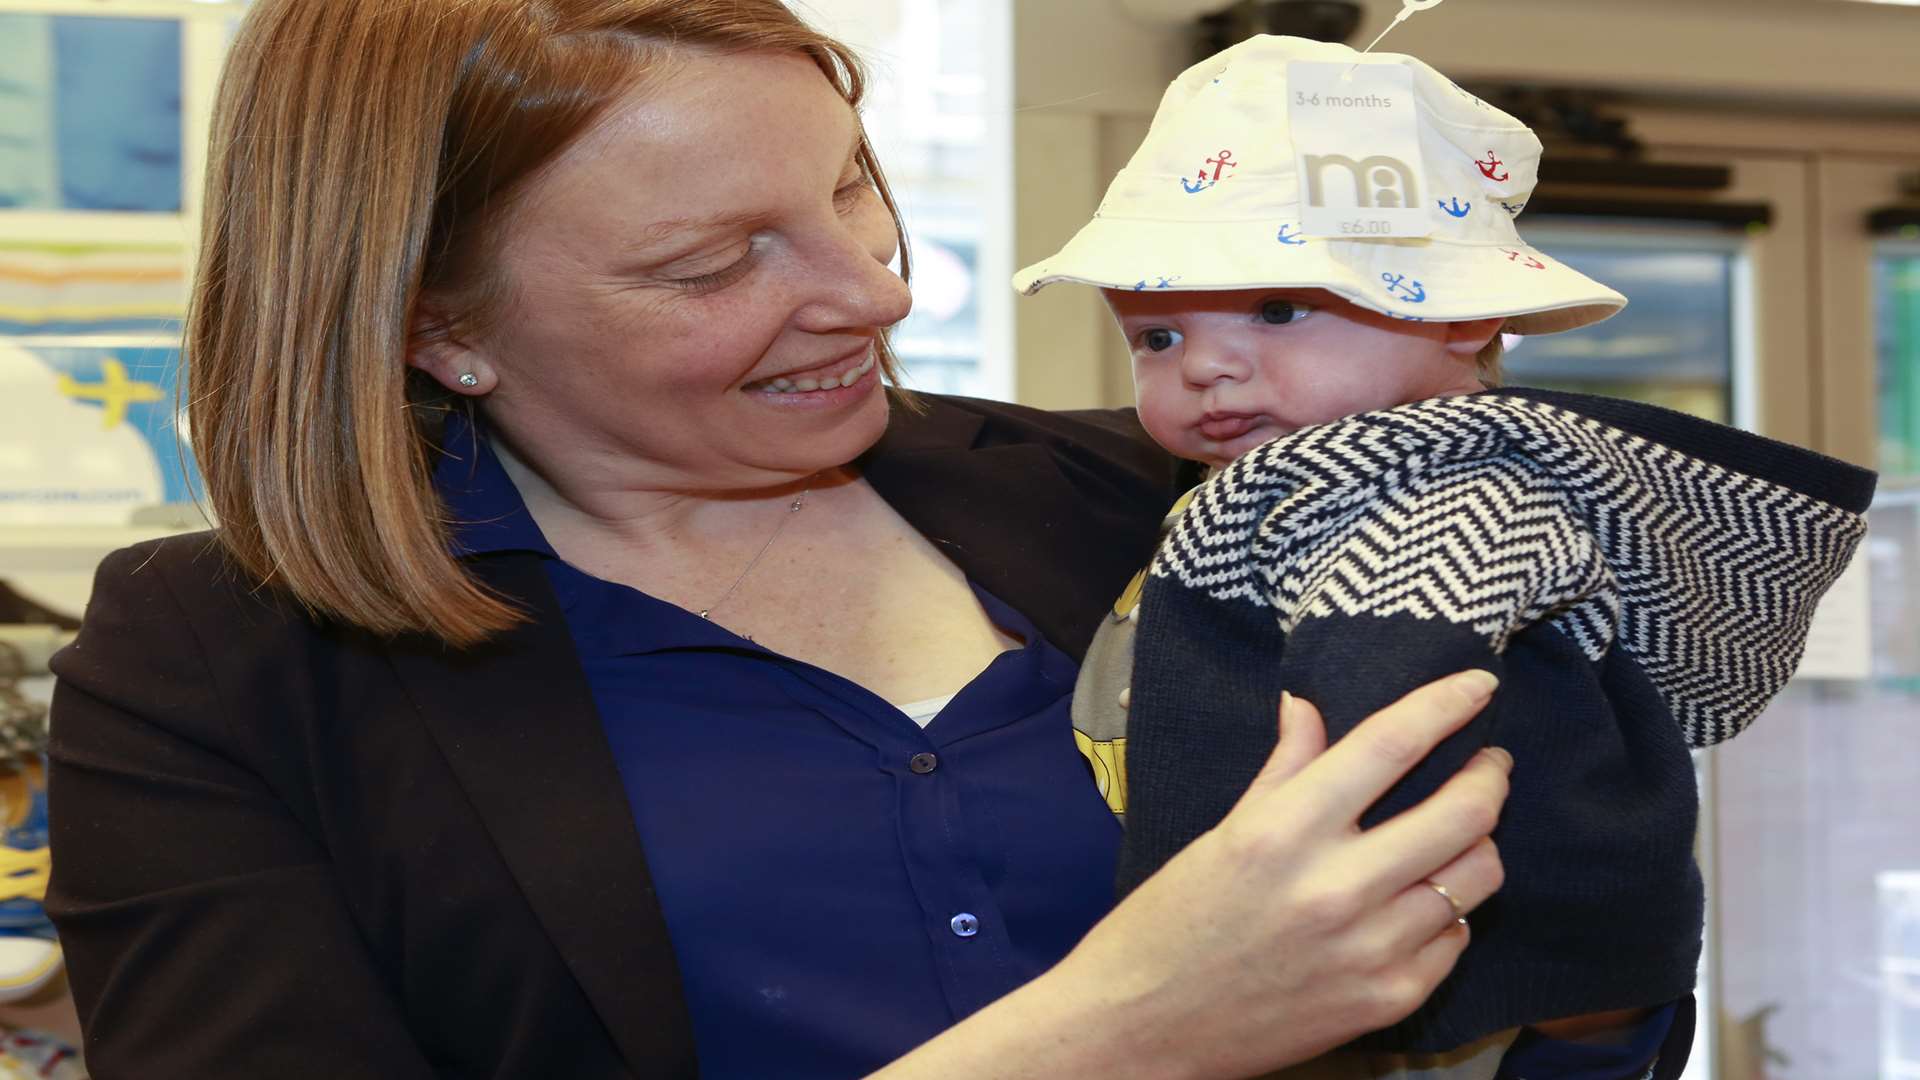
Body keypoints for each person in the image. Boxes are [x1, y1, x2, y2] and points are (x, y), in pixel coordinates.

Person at [41, 3, 1517, 1078]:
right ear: (437, 323)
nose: (873, 295)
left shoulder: (1155, 494)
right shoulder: (219, 669)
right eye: (712, 263)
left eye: (847, 187)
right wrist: (1127, 1032)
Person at [1013, 34, 1876, 1080]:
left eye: (1278, 310)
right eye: (1156, 337)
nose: (1205, 365)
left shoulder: (1439, 487)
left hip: (1430, 977)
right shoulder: (1293, 480)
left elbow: (1383, 701)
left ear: (1463, 318)